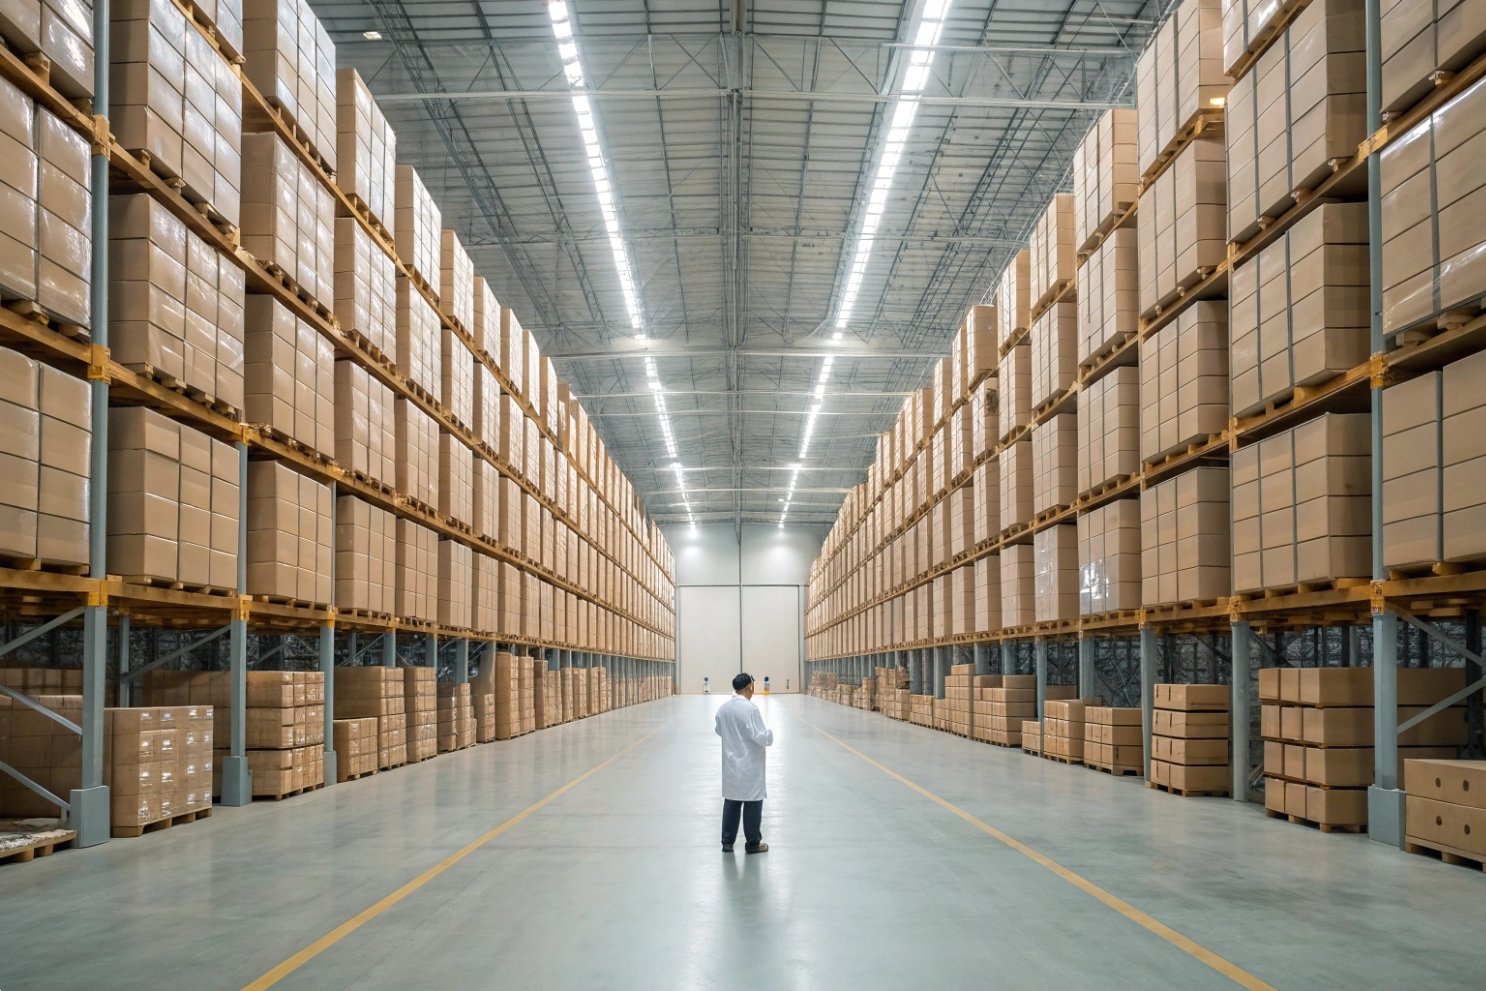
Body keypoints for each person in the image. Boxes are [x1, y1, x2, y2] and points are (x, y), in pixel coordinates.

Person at [714, 672, 774, 854]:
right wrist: (769, 736)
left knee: (731, 802)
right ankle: (753, 843)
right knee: (753, 802)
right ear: (749, 686)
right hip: (750, 765)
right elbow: (760, 736)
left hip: (731, 765)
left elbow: (719, 730)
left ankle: (727, 843)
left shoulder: (723, 709)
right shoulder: (751, 709)